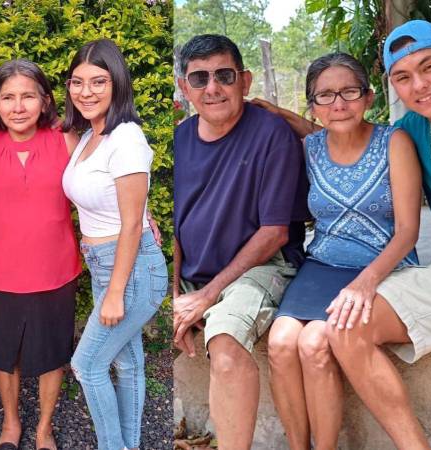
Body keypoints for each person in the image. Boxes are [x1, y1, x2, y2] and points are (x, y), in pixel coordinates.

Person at [255, 19, 431, 450]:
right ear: (391, 87)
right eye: (403, 77)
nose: (420, 86)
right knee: (344, 327)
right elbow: (340, 138)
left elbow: (407, 229)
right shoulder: (412, 129)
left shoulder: (405, 132)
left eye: (429, 67)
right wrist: (278, 114)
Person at [266, 53, 421, 450]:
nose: (338, 104)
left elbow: (407, 231)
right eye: (325, 96)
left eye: (349, 92)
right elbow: (302, 129)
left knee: (315, 342)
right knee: (282, 341)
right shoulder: (312, 148)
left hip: (382, 267)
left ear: (368, 97)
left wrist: (365, 283)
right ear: (313, 106)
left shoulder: (394, 141)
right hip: (322, 266)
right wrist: (268, 109)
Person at [173, 34, 310, 450]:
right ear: (184, 88)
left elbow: (275, 233)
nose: (212, 88)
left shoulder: (271, 134)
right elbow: (173, 225)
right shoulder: (178, 140)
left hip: (261, 268)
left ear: (245, 81)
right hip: (197, 275)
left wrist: (208, 296)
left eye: (224, 75)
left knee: (226, 340)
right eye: (199, 78)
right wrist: (173, 290)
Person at [62, 39, 168, 450]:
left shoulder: (126, 137)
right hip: (104, 262)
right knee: (127, 361)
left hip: (131, 269)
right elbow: (125, 203)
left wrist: (115, 293)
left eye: (98, 82)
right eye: (77, 82)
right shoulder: (90, 136)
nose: (86, 91)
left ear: (118, 83)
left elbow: (128, 226)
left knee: (86, 365)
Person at [0, 59, 83, 450]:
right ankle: (11, 423)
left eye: (28, 96)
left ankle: (44, 428)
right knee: (5, 354)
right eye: (8, 97)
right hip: (1, 270)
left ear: (45, 101)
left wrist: (141, 218)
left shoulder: (66, 141)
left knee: (51, 353)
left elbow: (102, 187)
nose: (18, 106)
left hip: (55, 268)